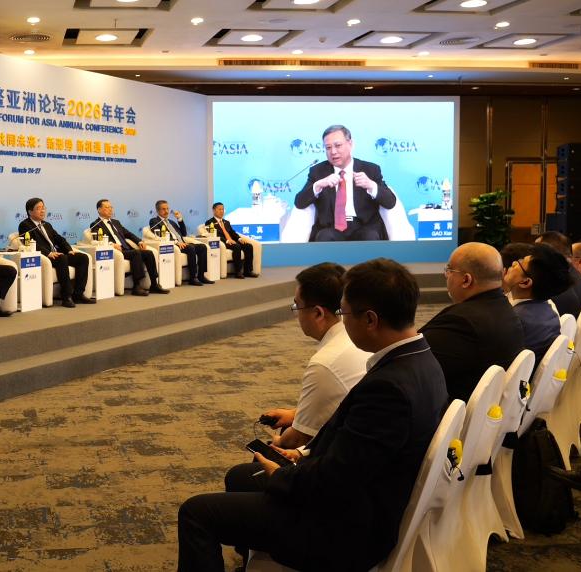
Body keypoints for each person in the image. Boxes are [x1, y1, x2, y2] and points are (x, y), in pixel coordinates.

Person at [178, 258, 447, 572]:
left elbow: (335, 480)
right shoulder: (421, 358)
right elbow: (357, 450)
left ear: (370, 319)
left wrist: (282, 475)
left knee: (196, 513)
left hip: (345, 529)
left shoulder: (388, 389)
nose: (342, 322)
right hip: (371, 496)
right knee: (242, 476)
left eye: (344, 313)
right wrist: (301, 454)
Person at [260, 263, 369, 451]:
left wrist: (277, 442)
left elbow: (298, 439)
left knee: (253, 463)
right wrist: (296, 414)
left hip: (347, 453)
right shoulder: (361, 337)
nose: (296, 313)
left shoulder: (325, 364)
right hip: (363, 436)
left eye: (297, 306)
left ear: (318, 313)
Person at [419, 242, 525, 402]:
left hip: (452, 410)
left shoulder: (460, 322)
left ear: (466, 280)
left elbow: (412, 363)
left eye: (449, 270)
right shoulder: (508, 311)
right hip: (488, 408)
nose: (446, 276)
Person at [294, 125, 397, 242]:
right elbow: (299, 203)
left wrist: (371, 185)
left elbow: (390, 202)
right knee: (324, 236)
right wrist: (317, 186)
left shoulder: (370, 169)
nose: (333, 152)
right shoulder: (318, 171)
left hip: (364, 227)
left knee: (370, 236)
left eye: (338, 145)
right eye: (328, 147)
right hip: (330, 228)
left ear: (350, 144)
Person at [503, 242, 572, 365]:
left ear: (525, 282)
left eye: (520, 262)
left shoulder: (514, 321)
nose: (513, 263)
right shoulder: (549, 311)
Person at [17, 197, 94, 308]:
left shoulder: (46, 224)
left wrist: (69, 250)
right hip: (44, 257)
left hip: (57, 254)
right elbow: (30, 243)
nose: (42, 211)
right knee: (62, 258)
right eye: (38, 208)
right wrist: (48, 253)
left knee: (82, 258)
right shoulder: (25, 225)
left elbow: (59, 239)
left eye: (43, 208)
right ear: (30, 211)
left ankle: (78, 294)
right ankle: (66, 297)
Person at [91, 199, 169, 297]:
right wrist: (111, 244)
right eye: (107, 207)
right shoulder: (96, 224)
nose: (110, 209)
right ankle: (136, 286)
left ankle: (154, 284)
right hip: (116, 251)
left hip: (126, 249)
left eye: (111, 207)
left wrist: (139, 241)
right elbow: (98, 240)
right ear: (99, 210)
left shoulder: (116, 222)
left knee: (148, 253)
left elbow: (129, 234)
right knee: (136, 253)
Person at [149, 200, 212, 286]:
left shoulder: (171, 222)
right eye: (163, 209)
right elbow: (159, 235)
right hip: (173, 245)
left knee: (202, 247)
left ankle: (201, 275)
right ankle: (193, 278)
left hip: (182, 243)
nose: (166, 211)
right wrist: (176, 242)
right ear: (158, 210)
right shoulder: (154, 221)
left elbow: (184, 233)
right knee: (190, 248)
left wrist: (180, 219)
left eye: (167, 209)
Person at [534, 231, 581, 318]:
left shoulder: (559, 285)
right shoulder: (572, 276)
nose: (531, 258)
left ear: (548, 254)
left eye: (535, 252)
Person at [204, 202, 256, 278]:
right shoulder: (209, 222)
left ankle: (248, 271)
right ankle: (238, 272)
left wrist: (239, 238)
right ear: (214, 210)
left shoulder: (226, 222)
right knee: (237, 247)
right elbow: (214, 235)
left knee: (248, 246)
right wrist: (227, 241)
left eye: (223, 209)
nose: (222, 211)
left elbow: (232, 232)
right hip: (223, 242)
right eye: (219, 209)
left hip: (232, 241)